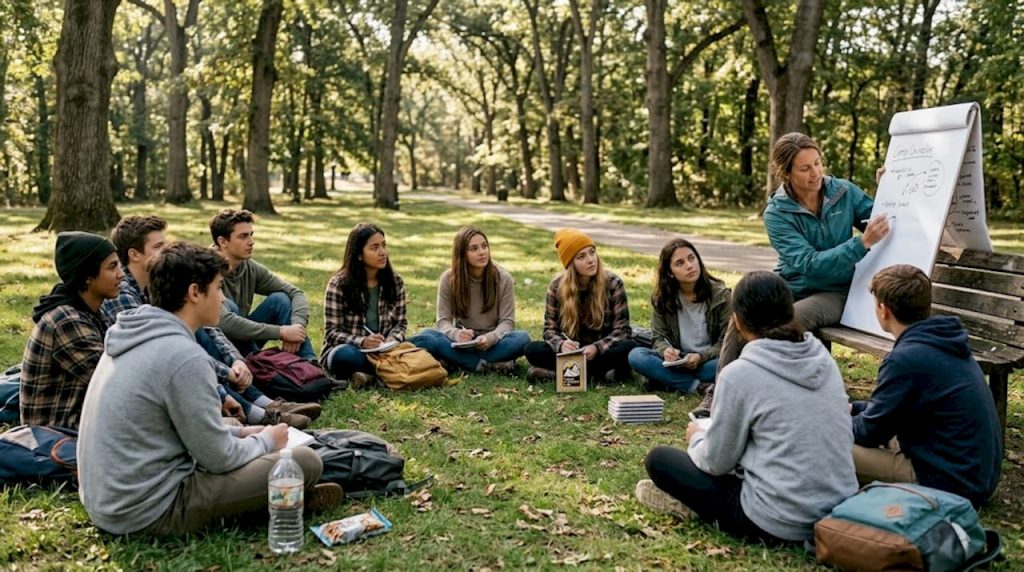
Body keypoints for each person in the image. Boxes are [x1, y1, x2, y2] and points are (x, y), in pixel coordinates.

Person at [77, 242, 342, 535]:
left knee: (230, 424)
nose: (223, 298)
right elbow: (219, 458)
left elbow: (170, 427)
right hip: (149, 510)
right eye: (218, 288)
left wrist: (241, 432)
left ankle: (276, 494)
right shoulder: (183, 356)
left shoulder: (134, 333)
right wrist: (266, 439)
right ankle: (280, 501)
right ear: (194, 293)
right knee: (305, 461)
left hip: (108, 500)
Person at [636, 271, 857, 545]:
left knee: (660, 460)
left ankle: (693, 509)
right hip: (834, 510)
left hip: (776, 521)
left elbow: (716, 462)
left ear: (737, 322)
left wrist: (697, 438)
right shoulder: (822, 358)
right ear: (791, 311)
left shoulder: (739, 374)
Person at [697, 132, 891, 414]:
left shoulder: (844, 192)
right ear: (786, 173)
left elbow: (883, 221)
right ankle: (721, 392)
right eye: (805, 168)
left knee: (788, 321)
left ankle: (762, 395)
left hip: (836, 291)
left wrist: (888, 190)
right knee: (743, 314)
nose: (815, 173)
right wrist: (860, 244)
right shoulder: (777, 212)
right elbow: (808, 264)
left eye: (817, 163)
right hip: (793, 283)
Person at [102, 215, 318, 428]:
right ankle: (258, 412)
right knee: (217, 318)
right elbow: (171, 351)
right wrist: (228, 373)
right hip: (152, 379)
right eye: (158, 247)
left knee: (274, 302)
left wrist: (236, 360)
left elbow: (206, 328)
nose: (165, 252)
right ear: (134, 254)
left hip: (191, 359)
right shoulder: (124, 293)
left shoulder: (159, 281)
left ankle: (281, 392)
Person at [850, 265, 1001, 507]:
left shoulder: (905, 358)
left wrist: (837, 420)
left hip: (950, 482)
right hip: (975, 474)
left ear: (883, 309)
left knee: (826, 444)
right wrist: (856, 408)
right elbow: (900, 410)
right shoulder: (944, 340)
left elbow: (869, 433)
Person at [20, 232, 122, 429]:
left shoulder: (91, 311)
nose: (121, 274)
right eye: (112, 267)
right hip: (55, 434)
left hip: (81, 422)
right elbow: (114, 383)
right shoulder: (66, 321)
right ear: (87, 277)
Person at [410, 226, 530, 374]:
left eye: (484, 246)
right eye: (474, 249)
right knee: (427, 336)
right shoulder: (448, 279)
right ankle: (489, 364)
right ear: (462, 254)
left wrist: (490, 338)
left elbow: (507, 322)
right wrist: (456, 334)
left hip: (493, 343)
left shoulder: (503, 278)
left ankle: (459, 362)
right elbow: (443, 321)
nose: (482, 252)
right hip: (462, 343)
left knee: (522, 338)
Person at [523, 229, 635, 383]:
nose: (590, 260)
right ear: (570, 265)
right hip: (573, 351)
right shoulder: (556, 287)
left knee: (629, 347)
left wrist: (597, 348)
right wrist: (561, 345)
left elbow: (622, 331)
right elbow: (550, 330)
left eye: (592, 252)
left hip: (602, 350)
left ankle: (562, 375)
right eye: (581, 257)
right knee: (532, 349)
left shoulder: (614, 283)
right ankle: (601, 375)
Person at [209, 209, 315, 360]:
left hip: (242, 340)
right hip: (215, 345)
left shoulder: (249, 266)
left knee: (280, 300)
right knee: (230, 306)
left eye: (251, 235)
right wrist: (281, 332)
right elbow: (225, 323)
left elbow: (295, 293)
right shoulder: (205, 269)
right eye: (243, 236)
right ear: (222, 241)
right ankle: (256, 365)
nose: (251, 242)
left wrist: (296, 328)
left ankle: (312, 366)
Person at [627, 239, 730, 393]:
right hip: (679, 360)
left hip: (708, 359)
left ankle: (667, 380)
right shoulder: (663, 299)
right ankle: (697, 386)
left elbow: (727, 341)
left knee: (731, 361)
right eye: (680, 263)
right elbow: (658, 338)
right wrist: (666, 351)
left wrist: (701, 357)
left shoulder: (721, 296)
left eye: (691, 258)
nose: (689, 266)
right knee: (636, 356)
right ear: (670, 272)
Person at [322, 223, 408, 387]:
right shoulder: (339, 284)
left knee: (428, 338)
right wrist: (362, 341)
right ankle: (390, 373)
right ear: (359, 255)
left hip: (386, 351)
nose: (382, 252)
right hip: (355, 351)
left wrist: (391, 340)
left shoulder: (395, 281)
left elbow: (400, 323)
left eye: (383, 245)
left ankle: (370, 377)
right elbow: (332, 333)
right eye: (374, 248)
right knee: (342, 355)